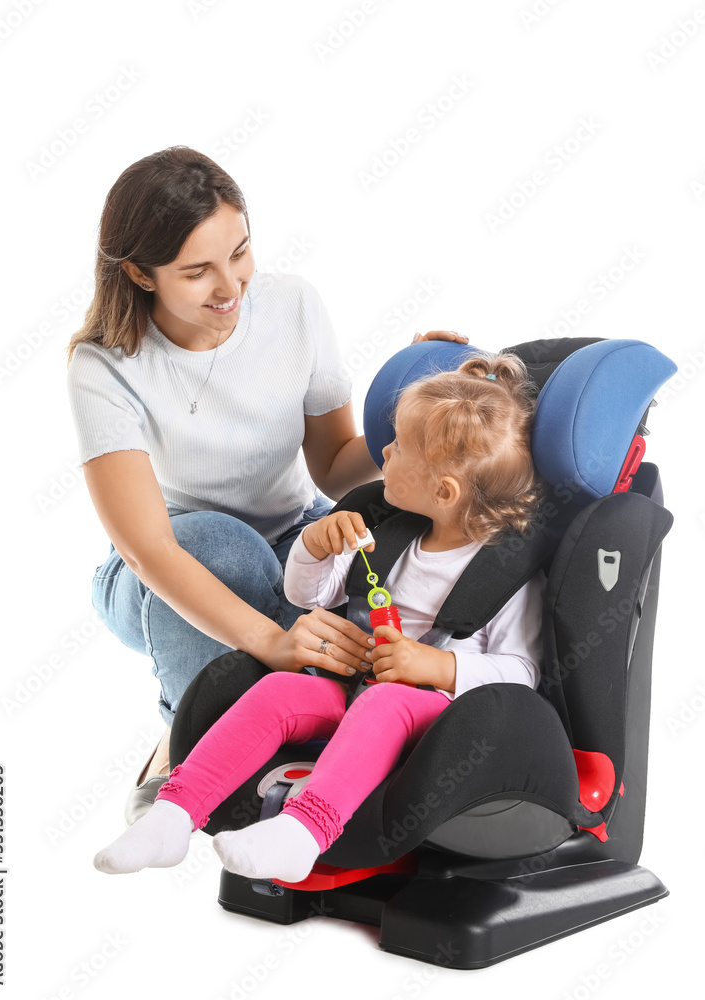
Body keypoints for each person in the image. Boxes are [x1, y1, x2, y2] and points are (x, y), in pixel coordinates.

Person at [65, 145, 467, 821]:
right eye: (197, 272)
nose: (230, 288)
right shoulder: (103, 366)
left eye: (240, 254)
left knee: (378, 594)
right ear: (139, 273)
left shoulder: (293, 306)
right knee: (222, 547)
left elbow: (336, 464)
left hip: (291, 542)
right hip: (159, 576)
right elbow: (149, 550)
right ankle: (184, 741)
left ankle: (308, 750)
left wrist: (422, 403)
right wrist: (274, 641)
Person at [92, 351, 547, 881]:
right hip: (352, 686)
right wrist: (314, 546)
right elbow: (308, 595)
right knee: (280, 691)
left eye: (399, 447)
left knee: (384, 704)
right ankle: (174, 814)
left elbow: (523, 673)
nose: (385, 451)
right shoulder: (392, 531)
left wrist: (436, 667)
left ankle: (303, 832)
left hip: (436, 717)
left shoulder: (508, 575)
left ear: (444, 490)